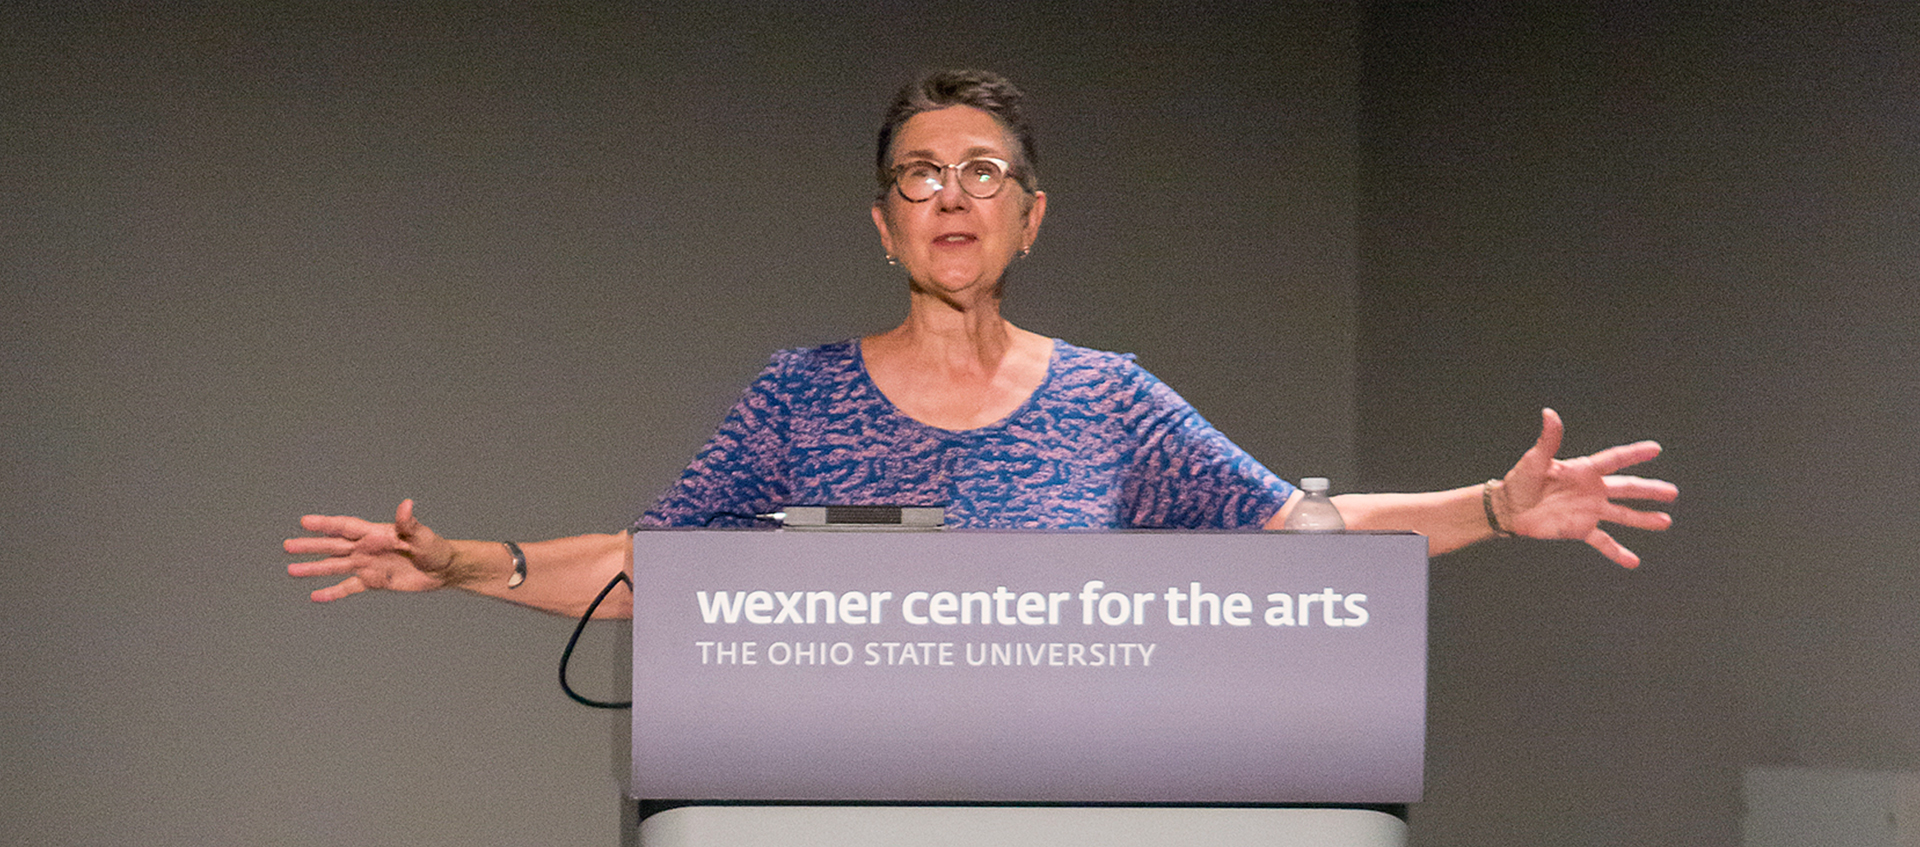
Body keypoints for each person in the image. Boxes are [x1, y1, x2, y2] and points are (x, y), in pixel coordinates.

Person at [285, 70, 1677, 620]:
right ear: (885, 228)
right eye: (920, 174)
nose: (953, 194)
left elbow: (1296, 534)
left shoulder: (1110, 405)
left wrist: (1495, 509)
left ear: (1033, 217)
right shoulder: (801, 396)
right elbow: (664, 576)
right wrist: (465, 562)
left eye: (985, 172)